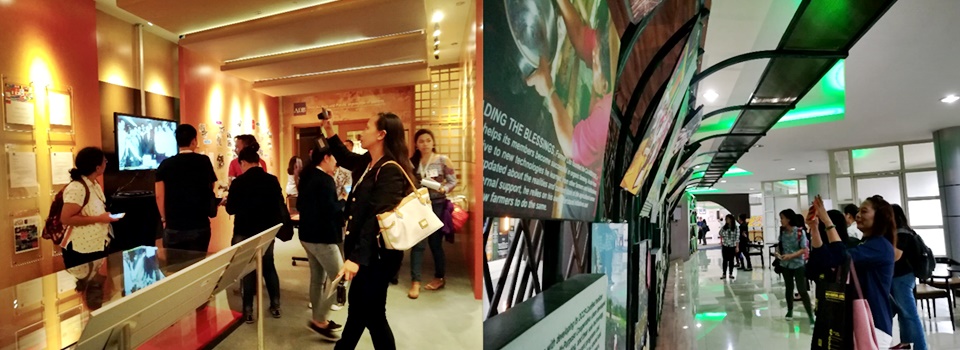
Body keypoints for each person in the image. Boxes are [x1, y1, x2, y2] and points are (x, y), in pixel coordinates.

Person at [323, 112, 412, 350]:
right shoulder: (367, 162)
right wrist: (330, 130)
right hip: (367, 253)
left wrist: (355, 258)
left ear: (382, 134)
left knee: (370, 312)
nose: (363, 131)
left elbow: (375, 218)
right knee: (364, 310)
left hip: (378, 256)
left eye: (367, 126)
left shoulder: (390, 169)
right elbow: (345, 157)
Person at [809, 195, 896, 348]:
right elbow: (825, 261)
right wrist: (815, 229)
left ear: (879, 217)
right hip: (854, 319)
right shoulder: (864, 243)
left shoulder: (880, 245)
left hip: (873, 323)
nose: (858, 215)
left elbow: (843, 258)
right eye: (859, 211)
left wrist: (827, 221)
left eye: (864, 211)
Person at [225, 147, 284, 323]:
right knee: (268, 266)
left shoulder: (238, 183)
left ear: (242, 162)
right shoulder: (272, 180)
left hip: (244, 232)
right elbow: (278, 205)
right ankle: (275, 305)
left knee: (247, 270)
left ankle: (248, 310)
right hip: (267, 232)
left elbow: (231, 208)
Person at [297, 145, 346, 340]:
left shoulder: (307, 176)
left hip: (306, 235)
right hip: (323, 238)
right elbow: (331, 210)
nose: (336, 164)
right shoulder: (325, 180)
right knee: (340, 278)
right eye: (334, 159)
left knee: (317, 278)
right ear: (326, 158)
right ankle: (319, 319)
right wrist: (344, 201)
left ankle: (318, 318)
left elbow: (301, 205)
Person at [407, 129, 458, 299]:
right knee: (418, 243)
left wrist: (445, 188)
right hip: (419, 206)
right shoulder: (412, 162)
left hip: (437, 205)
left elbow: (453, 181)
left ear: (433, 142)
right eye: (421, 141)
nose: (425, 144)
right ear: (416, 144)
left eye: (428, 140)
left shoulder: (443, 160)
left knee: (436, 243)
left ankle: (439, 277)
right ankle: (416, 281)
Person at [156, 125, 218, 264]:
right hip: (199, 224)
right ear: (194, 141)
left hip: (174, 226)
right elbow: (211, 185)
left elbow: (159, 195)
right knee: (197, 267)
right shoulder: (204, 161)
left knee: (174, 270)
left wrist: (164, 219)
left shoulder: (165, 165)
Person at [60, 147, 119, 269]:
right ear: (97, 167)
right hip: (81, 248)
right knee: (87, 285)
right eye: (105, 161)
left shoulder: (94, 184)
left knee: (97, 284)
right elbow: (66, 218)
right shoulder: (77, 187)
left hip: (96, 244)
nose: (106, 164)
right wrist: (99, 219)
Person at [890, 204, 927, 350]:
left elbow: (895, 256)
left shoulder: (902, 234)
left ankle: (920, 347)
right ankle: (907, 344)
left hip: (902, 277)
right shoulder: (904, 232)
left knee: (909, 314)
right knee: (904, 314)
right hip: (902, 277)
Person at [774, 209, 815, 324]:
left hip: (798, 265)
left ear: (789, 219)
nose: (781, 220)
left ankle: (810, 314)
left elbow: (804, 249)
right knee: (789, 288)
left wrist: (791, 256)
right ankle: (790, 310)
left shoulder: (800, 232)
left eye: (782, 218)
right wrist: (777, 254)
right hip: (785, 264)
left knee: (802, 289)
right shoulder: (782, 232)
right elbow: (779, 245)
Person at [719, 215, 739, 280]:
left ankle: (731, 273)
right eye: (726, 219)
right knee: (725, 260)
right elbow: (720, 233)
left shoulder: (736, 228)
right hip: (725, 245)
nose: (726, 220)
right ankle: (724, 273)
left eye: (728, 219)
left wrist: (737, 247)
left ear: (731, 219)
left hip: (732, 246)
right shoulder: (724, 227)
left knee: (731, 260)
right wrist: (724, 235)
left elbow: (737, 238)